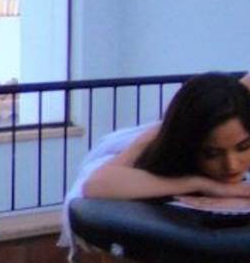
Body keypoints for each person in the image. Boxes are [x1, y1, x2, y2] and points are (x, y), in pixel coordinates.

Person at [83, 72, 250, 201]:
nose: (231, 165)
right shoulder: (156, 148)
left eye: (243, 147)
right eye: (212, 154)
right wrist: (200, 184)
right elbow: (95, 185)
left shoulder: (237, 105)